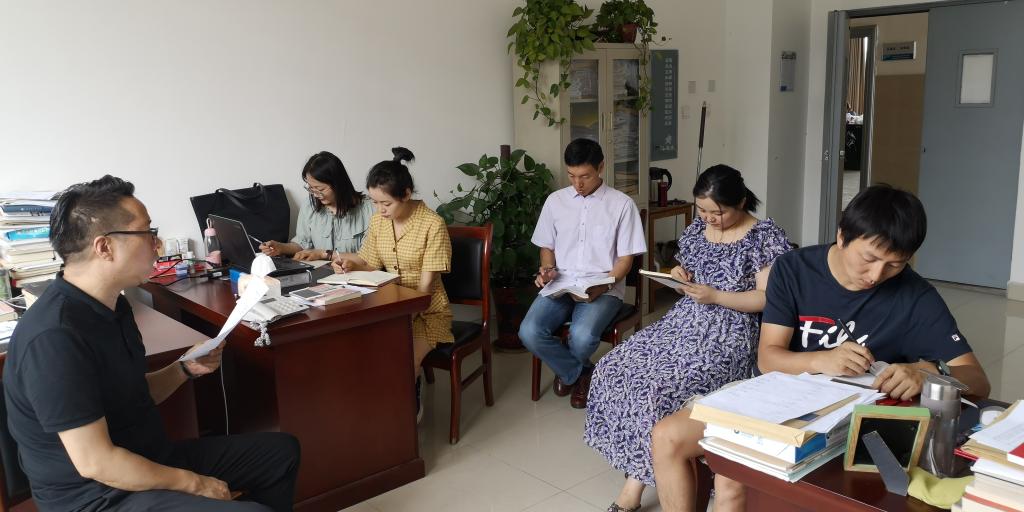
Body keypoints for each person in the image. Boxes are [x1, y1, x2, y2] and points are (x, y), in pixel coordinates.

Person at [654, 185, 991, 512]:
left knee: (734, 479)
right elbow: (768, 358)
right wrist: (821, 360)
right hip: (777, 397)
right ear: (842, 236)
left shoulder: (915, 296)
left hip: (857, 415)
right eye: (870, 258)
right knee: (666, 437)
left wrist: (927, 372)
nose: (876, 275)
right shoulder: (795, 269)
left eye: (895, 264)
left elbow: (977, 379)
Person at [3, 176, 300, 512]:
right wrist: (195, 483)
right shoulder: (54, 337)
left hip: (146, 459)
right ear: (104, 247)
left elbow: (130, 394)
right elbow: (96, 462)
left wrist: (184, 369)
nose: (157, 244)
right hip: (97, 496)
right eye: (147, 232)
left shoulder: (114, 305)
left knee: (280, 454)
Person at [585, 165, 791, 512]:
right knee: (612, 367)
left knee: (659, 388)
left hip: (731, 331)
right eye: (703, 210)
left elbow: (767, 299)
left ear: (741, 202)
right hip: (685, 320)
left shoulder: (764, 237)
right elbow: (688, 273)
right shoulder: (698, 229)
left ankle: (633, 489)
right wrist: (679, 275)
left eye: (717, 212)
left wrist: (716, 296)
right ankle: (640, 473)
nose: (708, 218)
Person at [518, 138, 647, 410]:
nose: (577, 183)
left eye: (585, 176)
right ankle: (581, 374)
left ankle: (569, 372)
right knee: (529, 331)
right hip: (561, 283)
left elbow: (625, 260)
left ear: (601, 167)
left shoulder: (622, 205)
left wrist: (605, 285)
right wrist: (547, 270)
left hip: (603, 286)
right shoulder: (555, 202)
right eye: (572, 175)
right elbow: (547, 247)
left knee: (583, 336)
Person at [330, 147, 453, 418]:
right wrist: (350, 264)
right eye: (374, 202)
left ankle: (405, 414)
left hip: (427, 312)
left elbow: (424, 290)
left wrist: (399, 317)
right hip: (390, 306)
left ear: (406, 194)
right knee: (360, 350)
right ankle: (375, 412)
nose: (379, 210)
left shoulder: (432, 225)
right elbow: (369, 262)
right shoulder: (379, 221)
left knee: (404, 359)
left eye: (385, 203)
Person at [259, 151, 375, 260]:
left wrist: (324, 254)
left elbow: (370, 258)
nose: (315, 194)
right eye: (311, 188)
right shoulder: (309, 206)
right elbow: (303, 244)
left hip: (355, 273)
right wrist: (280, 247)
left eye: (320, 189)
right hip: (320, 273)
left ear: (338, 184)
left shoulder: (370, 209)